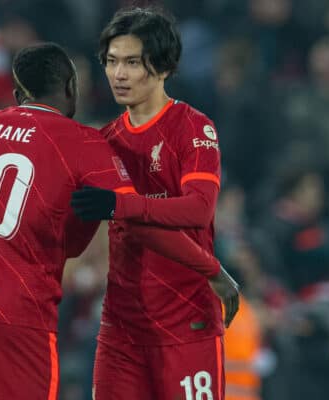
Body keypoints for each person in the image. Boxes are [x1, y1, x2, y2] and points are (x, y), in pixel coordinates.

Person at [0, 42, 234, 400]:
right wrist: (211, 269)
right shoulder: (83, 143)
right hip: (20, 314)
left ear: (19, 92)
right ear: (71, 88)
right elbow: (135, 221)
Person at [70, 7, 239, 399]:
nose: (119, 74)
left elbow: (198, 209)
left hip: (186, 322)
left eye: (132, 62)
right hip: (121, 329)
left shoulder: (193, 127)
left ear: (163, 67)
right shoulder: (106, 139)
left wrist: (118, 205)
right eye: (112, 62)